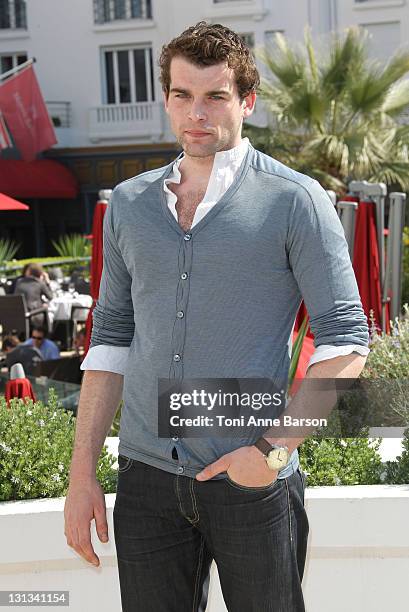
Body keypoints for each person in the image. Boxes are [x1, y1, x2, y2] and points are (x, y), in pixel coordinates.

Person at [64, 22, 369, 612]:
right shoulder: (128, 204)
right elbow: (109, 342)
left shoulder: (294, 201)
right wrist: (82, 477)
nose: (195, 113)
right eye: (181, 95)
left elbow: (348, 342)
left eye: (215, 96)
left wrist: (272, 455)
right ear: (166, 99)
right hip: (147, 480)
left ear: (247, 102)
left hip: (249, 477)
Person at [13, 263, 54, 328]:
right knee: (47, 309)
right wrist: (47, 282)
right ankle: (48, 334)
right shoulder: (39, 283)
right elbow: (50, 296)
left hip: (18, 315)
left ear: (28, 272)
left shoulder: (19, 282)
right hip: (34, 315)